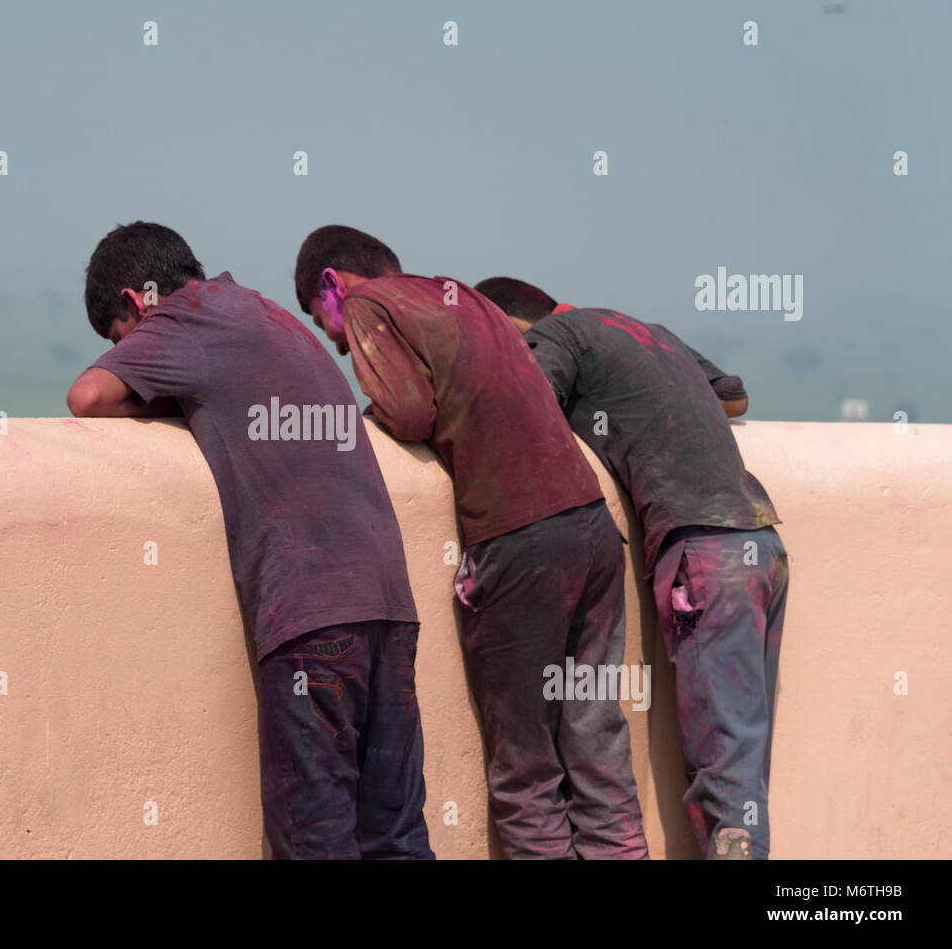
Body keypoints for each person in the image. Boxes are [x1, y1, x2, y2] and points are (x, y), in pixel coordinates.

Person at [66, 222, 432, 859]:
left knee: (314, 839)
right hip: (388, 604)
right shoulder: (266, 314)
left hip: (311, 616)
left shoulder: (182, 321)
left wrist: (162, 400)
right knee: (395, 837)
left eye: (122, 338)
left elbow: (88, 397)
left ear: (135, 301)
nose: (132, 353)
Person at [294, 225, 649, 859]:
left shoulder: (372, 303)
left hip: (520, 538)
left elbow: (408, 412)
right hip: (592, 527)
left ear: (332, 285)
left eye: (329, 327)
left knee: (528, 773)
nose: (341, 344)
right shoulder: (461, 294)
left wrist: (373, 400)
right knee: (598, 747)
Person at [475, 276, 789, 860]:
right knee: (743, 760)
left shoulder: (555, 336)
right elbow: (735, 399)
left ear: (513, 325)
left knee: (724, 773)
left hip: (703, 553)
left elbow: (525, 404)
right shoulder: (649, 333)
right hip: (760, 542)